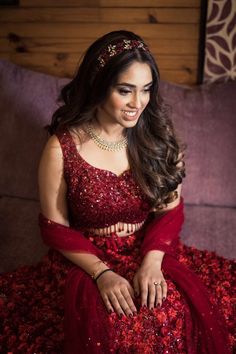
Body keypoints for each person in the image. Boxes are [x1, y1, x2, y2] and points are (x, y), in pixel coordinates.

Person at [0, 31, 234, 354]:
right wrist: (102, 274)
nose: (138, 103)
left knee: (169, 314)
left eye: (146, 90)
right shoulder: (62, 148)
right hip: (85, 257)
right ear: (99, 85)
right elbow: (55, 230)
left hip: (148, 247)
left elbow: (171, 210)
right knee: (109, 327)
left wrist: (152, 262)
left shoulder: (157, 139)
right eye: (125, 90)